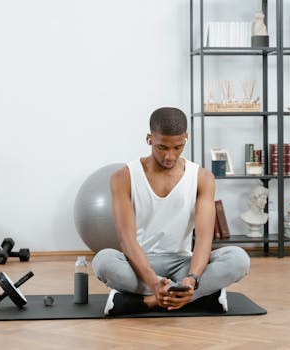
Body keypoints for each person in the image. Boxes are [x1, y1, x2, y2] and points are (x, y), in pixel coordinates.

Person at [92, 107, 250, 316]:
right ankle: (197, 297)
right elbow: (126, 240)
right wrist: (153, 280)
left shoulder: (202, 178)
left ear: (186, 138)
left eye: (177, 147)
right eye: (161, 147)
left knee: (238, 259)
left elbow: (203, 239)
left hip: (183, 264)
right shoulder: (124, 177)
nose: (169, 156)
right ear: (149, 139)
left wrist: (192, 278)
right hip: (139, 266)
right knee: (103, 261)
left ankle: (146, 302)